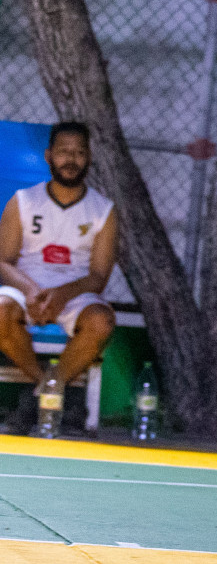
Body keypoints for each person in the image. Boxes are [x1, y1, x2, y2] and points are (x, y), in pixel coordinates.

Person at [0, 121, 118, 434]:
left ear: (89, 158)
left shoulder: (103, 210)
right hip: (27, 287)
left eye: (79, 153)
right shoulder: (23, 200)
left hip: (75, 293)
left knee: (102, 322)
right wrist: (32, 290)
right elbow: (3, 261)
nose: (71, 159)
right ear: (49, 156)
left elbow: (99, 276)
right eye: (64, 152)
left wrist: (61, 295)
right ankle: (48, 387)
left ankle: (36, 400)